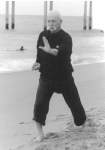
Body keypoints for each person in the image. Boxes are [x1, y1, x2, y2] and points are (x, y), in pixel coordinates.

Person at [32, 10, 86, 142]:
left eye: (54, 21)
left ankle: (83, 125)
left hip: (64, 78)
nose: (51, 24)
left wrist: (51, 51)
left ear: (60, 22)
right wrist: (37, 63)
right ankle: (40, 134)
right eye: (49, 21)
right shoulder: (43, 35)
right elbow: (39, 54)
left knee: (75, 104)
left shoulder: (66, 38)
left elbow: (62, 52)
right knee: (39, 105)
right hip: (46, 78)